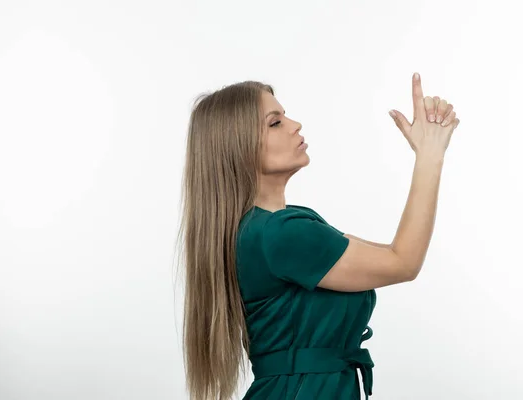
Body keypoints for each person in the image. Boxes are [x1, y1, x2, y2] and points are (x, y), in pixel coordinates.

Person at [178, 72, 460, 399]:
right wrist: (430, 155)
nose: (295, 124)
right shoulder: (280, 233)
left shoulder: (275, 228)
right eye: (275, 123)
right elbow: (403, 262)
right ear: (237, 146)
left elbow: (393, 256)